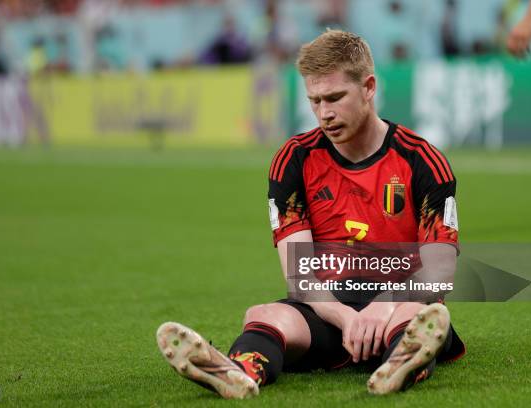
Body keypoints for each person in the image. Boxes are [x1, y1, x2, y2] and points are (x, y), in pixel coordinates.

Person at [156, 29, 465, 399]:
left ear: (368, 87)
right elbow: (299, 278)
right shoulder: (295, 159)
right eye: (315, 101)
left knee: (418, 319)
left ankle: (400, 362)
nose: (325, 114)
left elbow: (439, 272)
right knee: (267, 315)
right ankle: (239, 371)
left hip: (399, 303)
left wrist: (379, 309)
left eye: (335, 98)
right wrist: (346, 317)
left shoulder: (421, 160)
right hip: (330, 310)